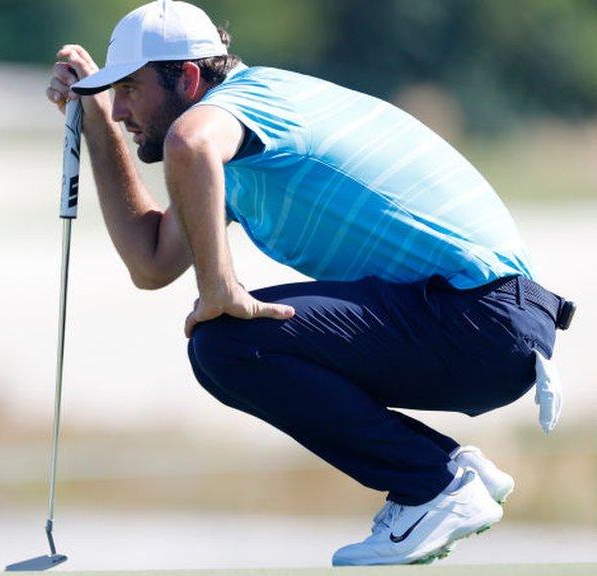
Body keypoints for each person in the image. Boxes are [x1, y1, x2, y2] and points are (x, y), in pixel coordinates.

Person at [45, 0, 575, 566]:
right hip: (481, 326)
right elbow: (150, 263)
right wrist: (97, 120)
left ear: (191, 78)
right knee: (226, 340)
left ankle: (434, 486)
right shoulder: (230, 150)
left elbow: (189, 144)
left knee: (228, 342)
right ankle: (445, 472)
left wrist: (220, 287)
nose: (124, 109)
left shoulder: (247, 104)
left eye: (131, 89)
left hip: (483, 317)